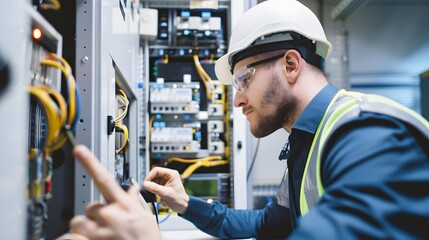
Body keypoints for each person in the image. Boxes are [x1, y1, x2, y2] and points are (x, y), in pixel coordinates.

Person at [62, 0, 429, 239]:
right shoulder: (309, 142)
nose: (236, 99)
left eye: (242, 79)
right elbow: (264, 226)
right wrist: (184, 203)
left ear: (290, 65)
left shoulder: (368, 136)